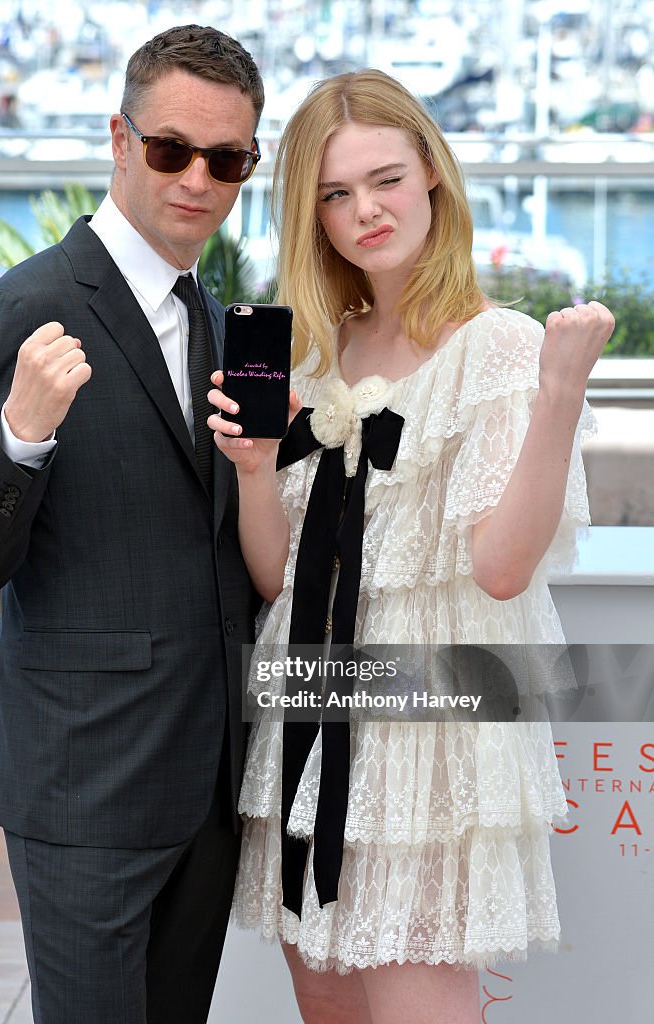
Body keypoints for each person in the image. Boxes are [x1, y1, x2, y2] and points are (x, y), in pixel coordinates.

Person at [207, 69, 614, 1024]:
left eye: (385, 179)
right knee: (329, 1008)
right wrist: (254, 467)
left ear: (432, 171)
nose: (366, 213)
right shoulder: (314, 349)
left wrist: (559, 397)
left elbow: (502, 569)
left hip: (428, 737)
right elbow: (278, 578)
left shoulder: (502, 345)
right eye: (335, 195)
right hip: (312, 717)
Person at [0, 25, 263, 1024]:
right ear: (119, 140)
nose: (197, 179)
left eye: (228, 159)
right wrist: (21, 436)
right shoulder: (28, 304)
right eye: (170, 149)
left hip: (205, 788)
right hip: (86, 788)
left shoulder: (217, 315)